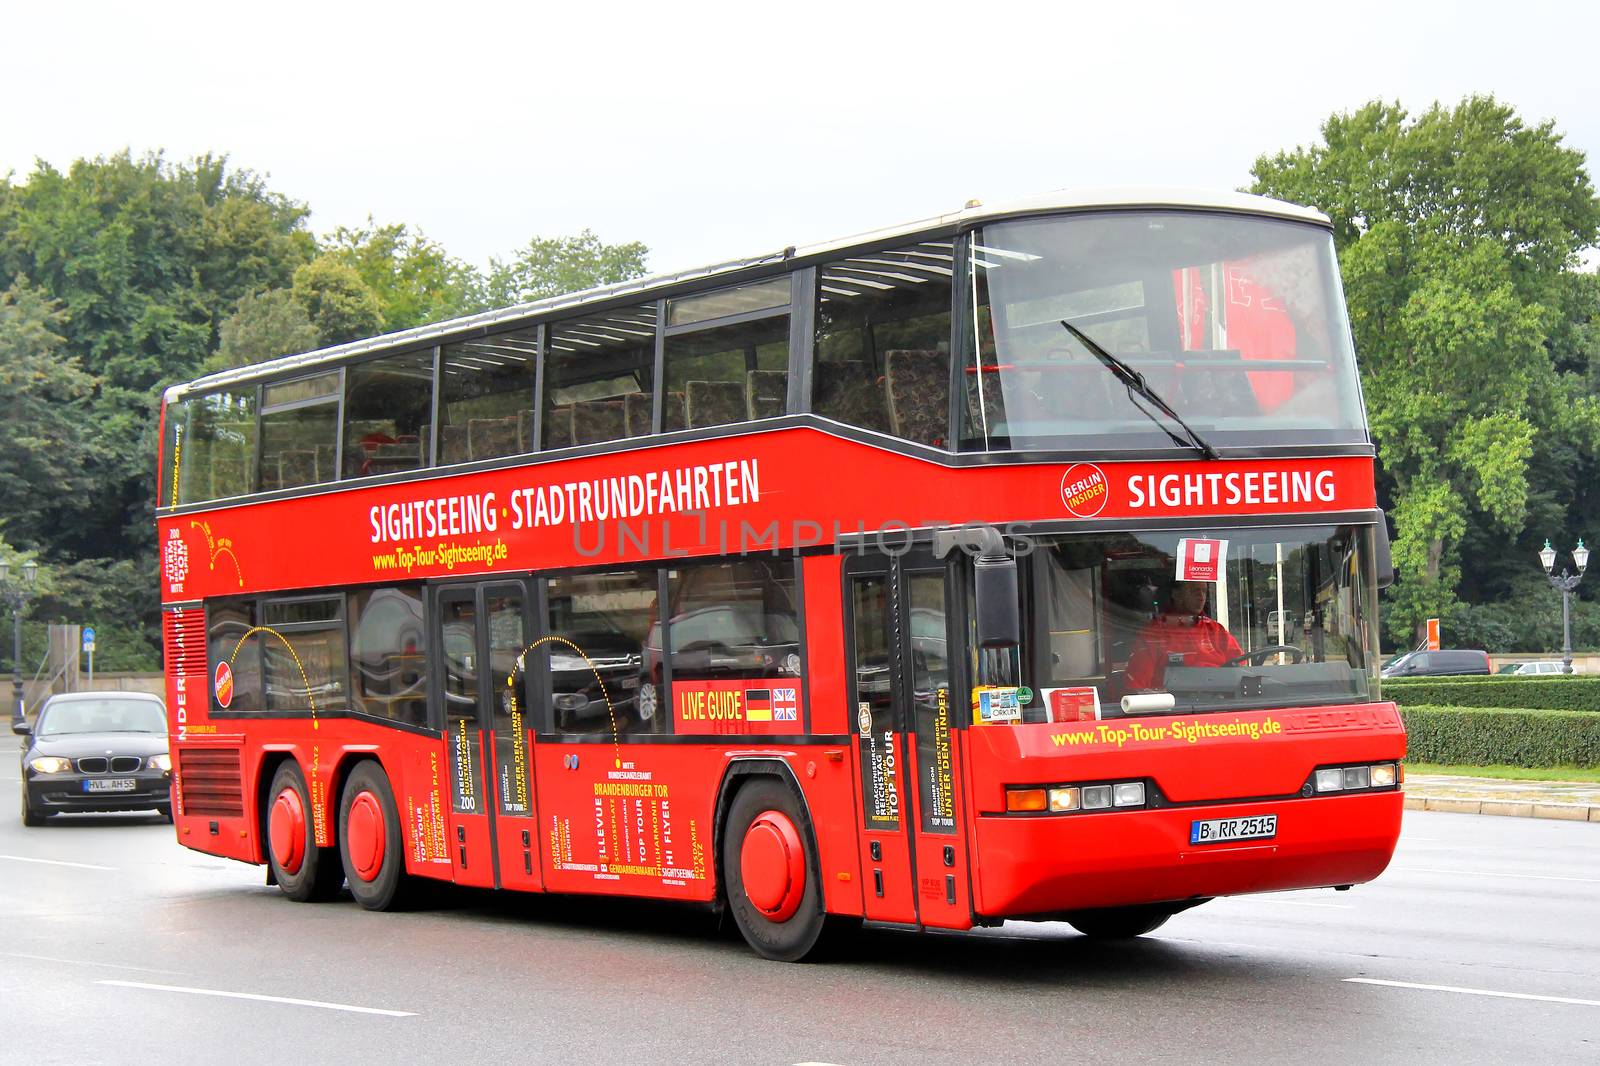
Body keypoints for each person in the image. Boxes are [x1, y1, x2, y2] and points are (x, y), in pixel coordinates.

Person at [1124, 581, 1242, 690]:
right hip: (1176, 708)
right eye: (1194, 591)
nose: (1201, 597)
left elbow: (1240, 667)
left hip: (1218, 704)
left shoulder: (1215, 630)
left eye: (1204, 591)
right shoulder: (1154, 633)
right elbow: (1138, 686)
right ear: (1176, 594)